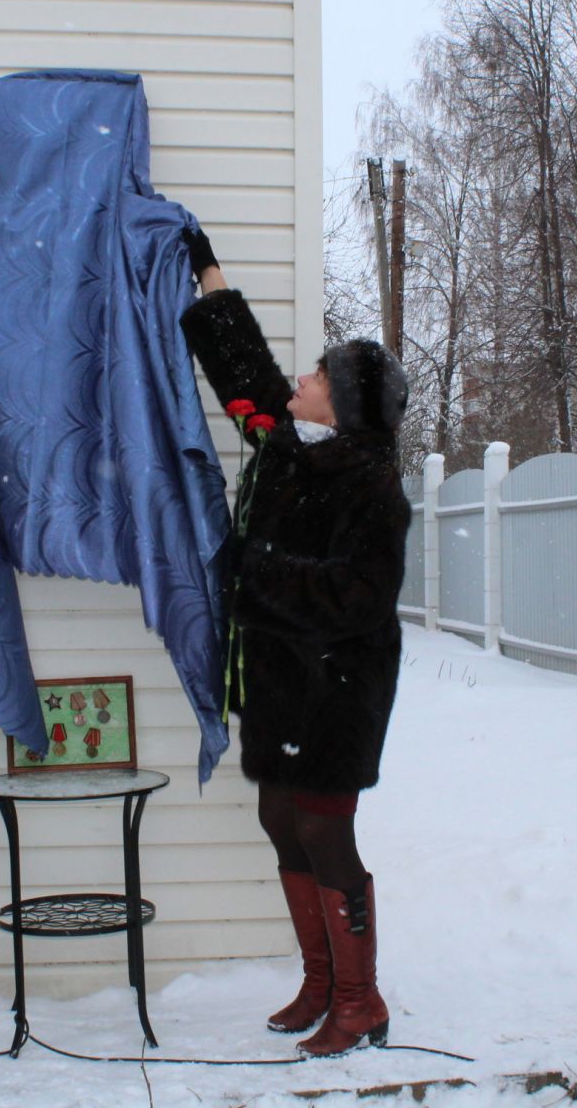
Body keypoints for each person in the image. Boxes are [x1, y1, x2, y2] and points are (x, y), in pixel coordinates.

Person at [177, 226, 411, 1057]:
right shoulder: (289, 446)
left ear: (345, 406)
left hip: (338, 689)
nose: (302, 379)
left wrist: (257, 576)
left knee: (323, 828)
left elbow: (361, 596)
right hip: (282, 683)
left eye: (320, 375)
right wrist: (210, 278)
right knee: (282, 816)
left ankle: (361, 1000)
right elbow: (244, 372)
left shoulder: (372, 483)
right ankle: (320, 981)